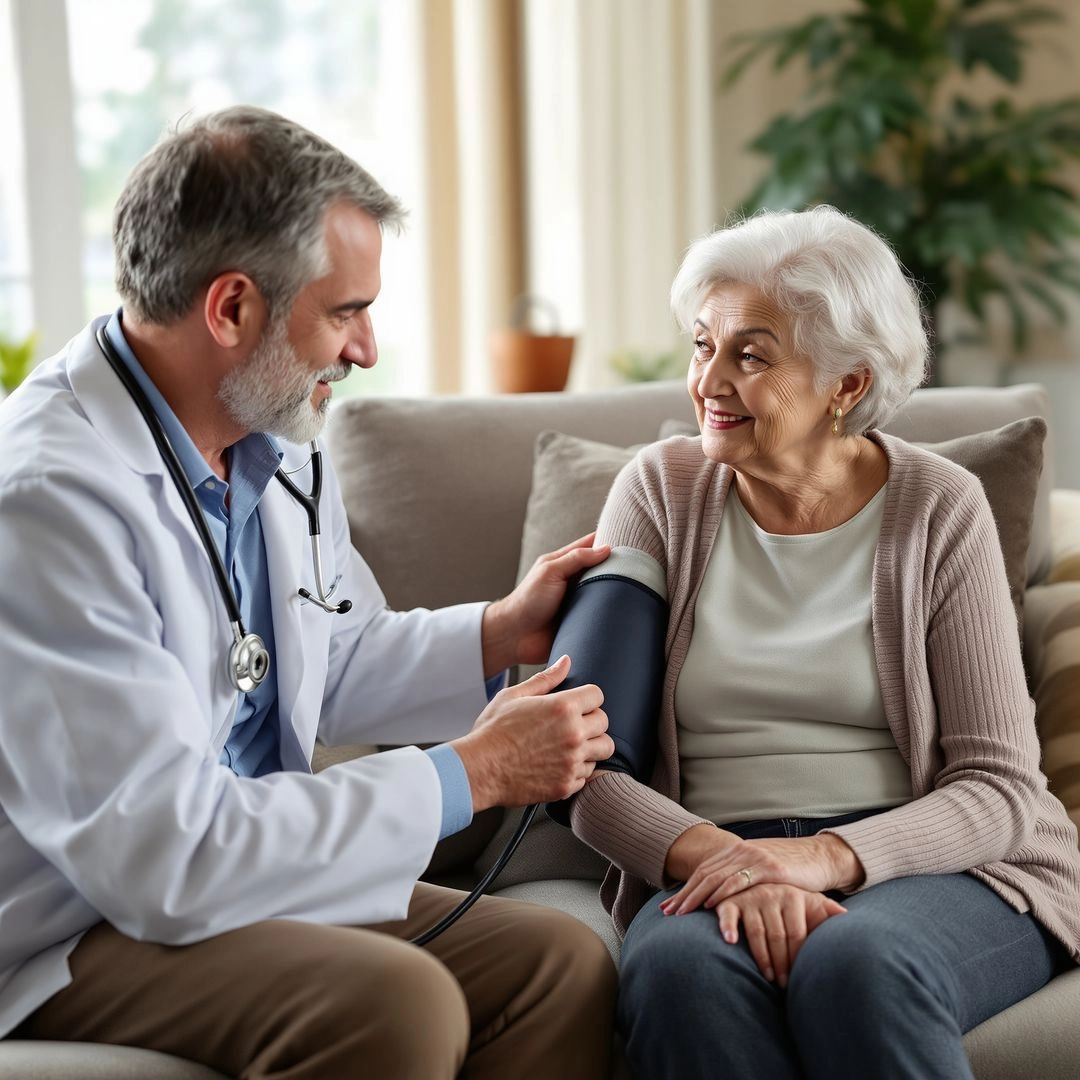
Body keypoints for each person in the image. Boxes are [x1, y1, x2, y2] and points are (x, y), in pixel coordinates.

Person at [0, 106, 618, 1079]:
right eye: (344, 312)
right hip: (81, 922)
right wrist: (472, 774)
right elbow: (166, 855)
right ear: (233, 308)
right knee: (398, 1005)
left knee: (562, 964)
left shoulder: (269, 442)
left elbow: (329, 653)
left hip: (247, 876)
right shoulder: (48, 502)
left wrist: (500, 633)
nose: (366, 349)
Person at [566, 206, 1080, 1079]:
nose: (708, 382)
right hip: (713, 852)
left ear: (847, 385)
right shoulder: (658, 492)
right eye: (703, 345)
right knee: (678, 970)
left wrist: (820, 860)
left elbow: (998, 788)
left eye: (750, 354)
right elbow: (585, 766)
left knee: (858, 962)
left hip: (937, 866)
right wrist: (742, 864)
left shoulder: (939, 507)